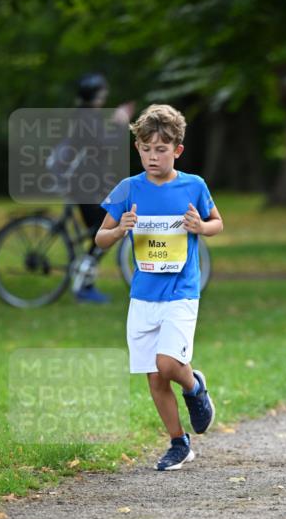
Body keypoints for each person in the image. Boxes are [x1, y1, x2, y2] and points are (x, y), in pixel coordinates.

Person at [95, 104, 224, 470]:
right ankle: (178, 442)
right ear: (137, 148)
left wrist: (201, 226)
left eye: (161, 149)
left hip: (182, 292)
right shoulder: (127, 189)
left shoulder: (193, 186)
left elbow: (217, 223)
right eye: (147, 149)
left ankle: (194, 387)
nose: (153, 156)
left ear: (177, 150)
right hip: (143, 295)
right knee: (154, 376)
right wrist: (120, 230)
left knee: (168, 364)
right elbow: (100, 237)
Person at [49, 73, 134, 302]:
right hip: (81, 185)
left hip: (83, 184)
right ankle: (83, 287)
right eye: (103, 91)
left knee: (101, 230)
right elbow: (105, 145)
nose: (105, 95)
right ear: (96, 94)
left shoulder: (86, 116)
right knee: (104, 230)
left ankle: (85, 283)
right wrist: (119, 123)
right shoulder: (86, 118)